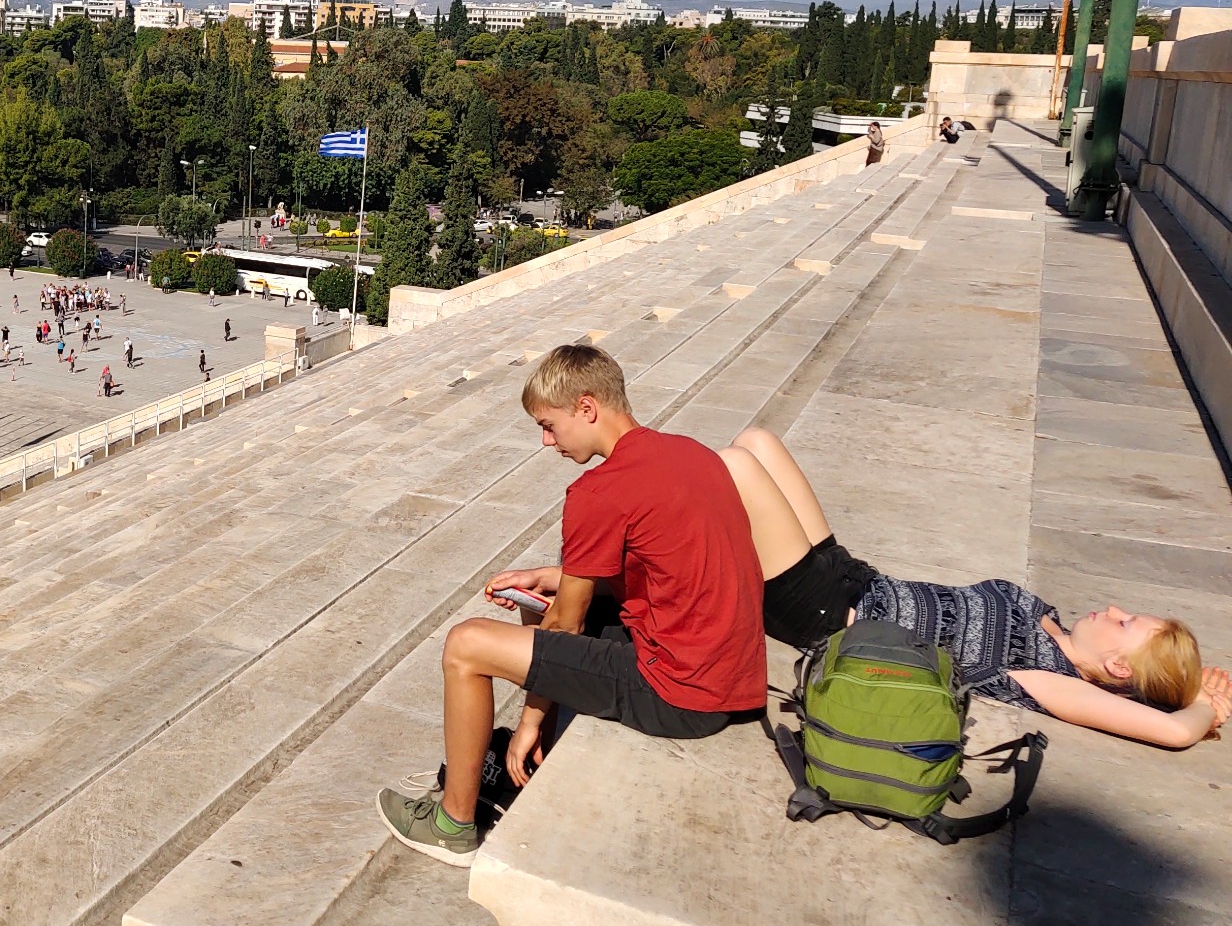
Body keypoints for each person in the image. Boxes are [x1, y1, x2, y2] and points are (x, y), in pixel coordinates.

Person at [377, 345, 767, 865]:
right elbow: (654, 563)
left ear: (586, 408)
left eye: (549, 425)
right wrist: (546, 576)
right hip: (730, 671)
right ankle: (539, 759)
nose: (546, 440)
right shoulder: (690, 454)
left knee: (465, 645)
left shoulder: (600, 491)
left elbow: (567, 624)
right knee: (543, 598)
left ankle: (453, 824)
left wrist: (529, 721)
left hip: (682, 693)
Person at [714, 426, 1228, 749]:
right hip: (854, 575)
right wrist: (1186, 680)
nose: (1114, 608)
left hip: (826, 614)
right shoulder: (1047, 618)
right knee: (758, 441)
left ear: (1118, 667)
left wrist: (1206, 705)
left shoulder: (1050, 677)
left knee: (736, 468)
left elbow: (1174, 731)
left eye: (1125, 622)